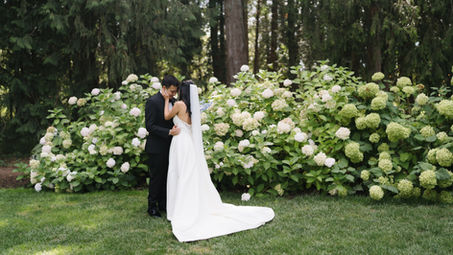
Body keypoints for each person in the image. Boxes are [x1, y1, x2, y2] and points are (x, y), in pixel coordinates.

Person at [162, 80, 274, 242]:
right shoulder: (194, 108)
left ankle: (180, 209)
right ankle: (188, 205)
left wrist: (166, 100)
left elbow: (166, 116)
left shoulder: (179, 104)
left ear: (182, 91)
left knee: (179, 173)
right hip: (189, 143)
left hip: (180, 142)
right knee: (188, 174)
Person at [145, 75, 181, 217]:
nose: (174, 94)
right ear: (164, 88)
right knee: (156, 177)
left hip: (170, 146)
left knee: (167, 176)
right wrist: (168, 132)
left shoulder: (174, 101)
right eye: (172, 91)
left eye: (175, 91)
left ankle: (164, 204)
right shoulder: (152, 101)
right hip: (156, 147)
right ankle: (152, 206)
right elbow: (150, 126)